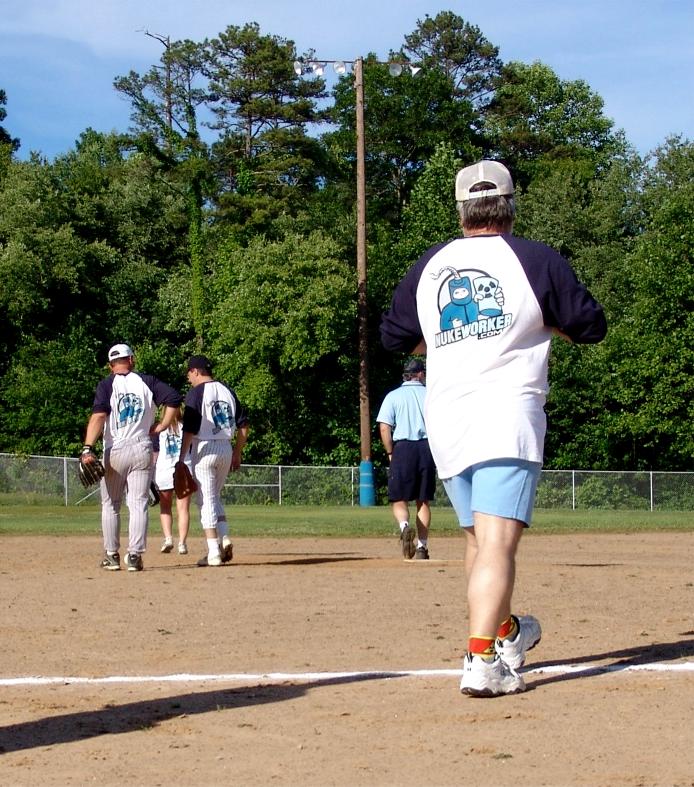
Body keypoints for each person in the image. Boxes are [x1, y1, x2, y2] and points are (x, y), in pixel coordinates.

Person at [380, 160, 607, 697]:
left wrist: (441, 342)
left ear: (462, 209)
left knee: (480, 543)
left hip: (448, 419)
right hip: (508, 414)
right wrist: (545, 323)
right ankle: (481, 661)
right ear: (509, 203)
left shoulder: (431, 265)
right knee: (498, 546)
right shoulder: (535, 259)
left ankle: (506, 632)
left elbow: (394, 336)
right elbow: (590, 325)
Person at [82, 344, 182, 572]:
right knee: (138, 503)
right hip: (142, 446)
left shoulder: (107, 385)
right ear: (132, 360)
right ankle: (135, 556)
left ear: (110, 365)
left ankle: (111, 555)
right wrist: (163, 424)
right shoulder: (147, 381)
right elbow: (174, 398)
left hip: (116, 448)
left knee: (111, 504)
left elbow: (99, 416)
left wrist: (87, 447)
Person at [179, 355, 250, 567]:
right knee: (214, 497)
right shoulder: (228, 390)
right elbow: (244, 424)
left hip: (205, 447)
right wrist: (237, 452)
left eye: (189, 373)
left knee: (206, 500)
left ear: (196, 371)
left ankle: (213, 553)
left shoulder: (196, 393)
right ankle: (224, 538)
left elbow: (190, 428)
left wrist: (181, 459)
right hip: (225, 448)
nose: (189, 377)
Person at [376, 358, 436, 560]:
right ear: (419, 374)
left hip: (402, 448)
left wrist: (390, 452)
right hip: (426, 448)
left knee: (398, 498)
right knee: (423, 500)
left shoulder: (393, 396)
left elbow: (384, 427)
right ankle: (422, 547)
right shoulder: (431, 395)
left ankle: (404, 527)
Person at [155, 406, 191, 556]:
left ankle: (168, 538)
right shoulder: (187, 427)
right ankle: (182, 543)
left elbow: (153, 452)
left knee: (165, 507)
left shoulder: (158, 428)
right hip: (183, 468)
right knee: (183, 509)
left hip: (164, 469)